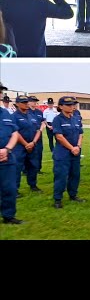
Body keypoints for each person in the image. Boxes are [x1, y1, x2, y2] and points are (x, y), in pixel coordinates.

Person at [0, 0, 73, 57]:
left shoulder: (3, 2)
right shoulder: (42, 3)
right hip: (36, 56)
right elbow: (68, 13)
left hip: (11, 56)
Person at [51, 96, 85, 209]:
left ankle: (73, 195)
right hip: (63, 153)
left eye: (73, 104)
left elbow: (80, 133)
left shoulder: (76, 118)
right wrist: (72, 148)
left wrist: (78, 146)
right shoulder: (57, 119)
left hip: (75, 152)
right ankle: (57, 199)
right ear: (61, 106)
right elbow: (59, 137)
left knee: (75, 175)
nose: (72, 107)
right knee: (61, 176)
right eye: (69, 105)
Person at [12, 95, 42, 196]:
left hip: (32, 145)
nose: (26, 104)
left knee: (33, 166)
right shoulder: (14, 116)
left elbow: (38, 130)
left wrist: (33, 142)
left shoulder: (31, 116)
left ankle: (33, 185)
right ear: (17, 104)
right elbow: (15, 132)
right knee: (17, 168)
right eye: (23, 102)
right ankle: (15, 189)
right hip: (19, 146)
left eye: (26, 102)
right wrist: (26, 144)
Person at [0, 92, 21, 224]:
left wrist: (7, 149)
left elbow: (15, 133)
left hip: (6, 157)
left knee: (9, 189)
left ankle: (8, 216)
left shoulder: (5, 113)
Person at [27, 95, 45, 175]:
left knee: (39, 151)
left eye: (35, 101)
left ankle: (38, 168)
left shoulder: (39, 112)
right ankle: (26, 170)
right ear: (29, 102)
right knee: (29, 152)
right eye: (33, 101)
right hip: (30, 135)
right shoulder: (26, 111)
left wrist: (41, 128)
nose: (34, 102)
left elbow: (43, 122)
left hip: (39, 135)